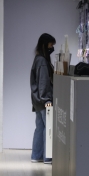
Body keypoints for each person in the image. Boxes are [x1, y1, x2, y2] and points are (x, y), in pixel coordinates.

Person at [30, 33, 56, 164]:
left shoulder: (38, 59)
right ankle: (48, 157)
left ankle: (36, 155)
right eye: (51, 44)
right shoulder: (42, 61)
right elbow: (43, 82)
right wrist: (47, 100)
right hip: (44, 101)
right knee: (47, 128)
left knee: (40, 128)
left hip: (37, 100)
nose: (52, 47)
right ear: (45, 44)